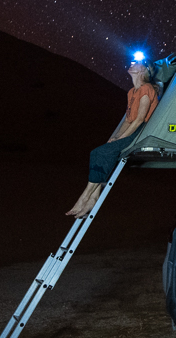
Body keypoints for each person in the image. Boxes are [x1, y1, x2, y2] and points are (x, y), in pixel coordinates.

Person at [65, 58, 159, 218]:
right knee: (96, 152)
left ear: (143, 71)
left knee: (103, 152)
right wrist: (114, 137)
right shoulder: (132, 92)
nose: (132, 63)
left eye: (137, 63)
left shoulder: (147, 89)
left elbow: (138, 120)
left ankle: (85, 196)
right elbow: (128, 119)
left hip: (141, 132)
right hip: (133, 129)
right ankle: (93, 197)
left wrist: (121, 137)